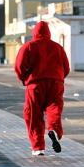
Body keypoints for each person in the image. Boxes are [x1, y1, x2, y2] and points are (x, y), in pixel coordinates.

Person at [14, 21, 70, 156]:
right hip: (55, 83)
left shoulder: (28, 46)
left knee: (33, 114)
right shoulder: (57, 47)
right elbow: (66, 67)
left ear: (34, 32)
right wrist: (59, 78)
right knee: (54, 108)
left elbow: (19, 66)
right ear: (48, 32)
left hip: (35, 85)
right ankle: (54, 129)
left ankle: (38, 147)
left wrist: (24, 79)